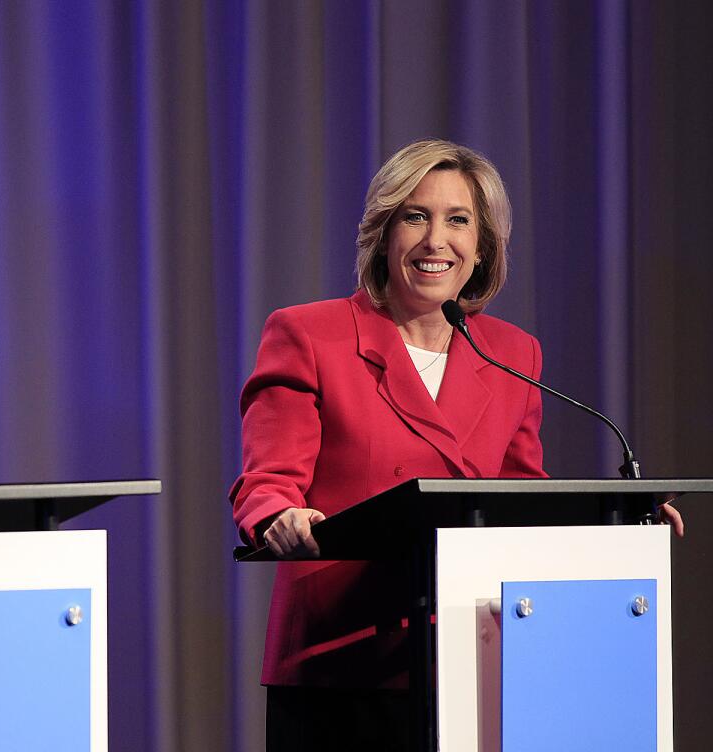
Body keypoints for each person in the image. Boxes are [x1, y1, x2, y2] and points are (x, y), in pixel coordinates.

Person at [229, 139, 682, 750]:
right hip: (341, 662)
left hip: (476, 653)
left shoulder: (512, 353)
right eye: (415, 216)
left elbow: (522, 496)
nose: (435, 240)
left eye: (458, 220)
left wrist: (620, 524)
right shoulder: (310, 334)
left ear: (482, 245)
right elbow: (268, 478)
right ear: (384, 234)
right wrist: (280, 516)